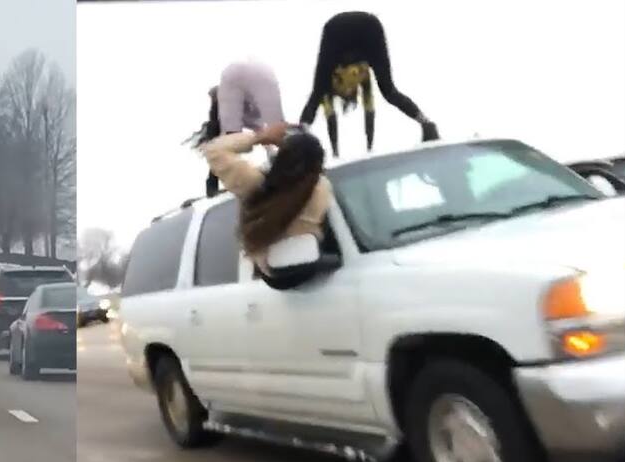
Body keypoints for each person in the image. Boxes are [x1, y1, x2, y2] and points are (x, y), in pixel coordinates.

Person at [299, 11, 439, 157]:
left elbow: (328, 112)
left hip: (338, 31)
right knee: (389, 91)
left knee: (317, 93)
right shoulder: (361, 75)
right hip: (368, 26)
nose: (348, 92)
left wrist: (338, 153)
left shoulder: (327, 83)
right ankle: (426, 123)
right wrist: (367, 150)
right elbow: (366, 112)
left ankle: (299, 135)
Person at [200, 122, 331, 276]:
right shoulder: (320, 190)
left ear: (281, 157)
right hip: (297, 274)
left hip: (267, 273)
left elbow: (214, 150)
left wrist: (261, 137)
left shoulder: (254, 186)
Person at [187, 59, 285, 197]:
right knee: (226, 144)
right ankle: (212, 188)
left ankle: (277, 159)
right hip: (224, 122)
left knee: (259, 137)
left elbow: (261, 128)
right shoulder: (226, 109)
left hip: (236, 115)